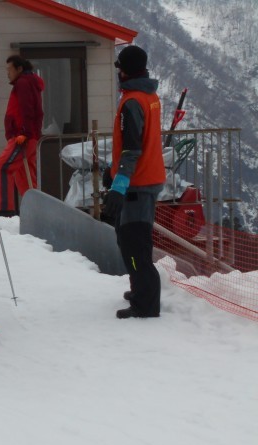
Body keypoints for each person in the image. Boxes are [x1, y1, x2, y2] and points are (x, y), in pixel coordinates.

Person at [103, 45, 165, 319]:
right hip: (146, 177)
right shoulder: (149, 96)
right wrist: (112, 172)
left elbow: (131, 149)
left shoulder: (132, 102)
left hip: (137, 184)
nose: (118, 72)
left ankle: (145, 303)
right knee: (130, 237)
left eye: (119, 68)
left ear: (125, 71)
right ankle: (140, 290)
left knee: (134, 242)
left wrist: (118, 186)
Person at [0, 55, 44, 216]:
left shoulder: (23, 83)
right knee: (24, 176)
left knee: (1, 168)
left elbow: (27, 109)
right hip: (29, 136)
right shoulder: (29, 82)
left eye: (10, 69)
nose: (7, 73)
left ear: (19, 69)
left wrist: (24, 133)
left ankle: (5, 210)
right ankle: (35, 213)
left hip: (22, 137)